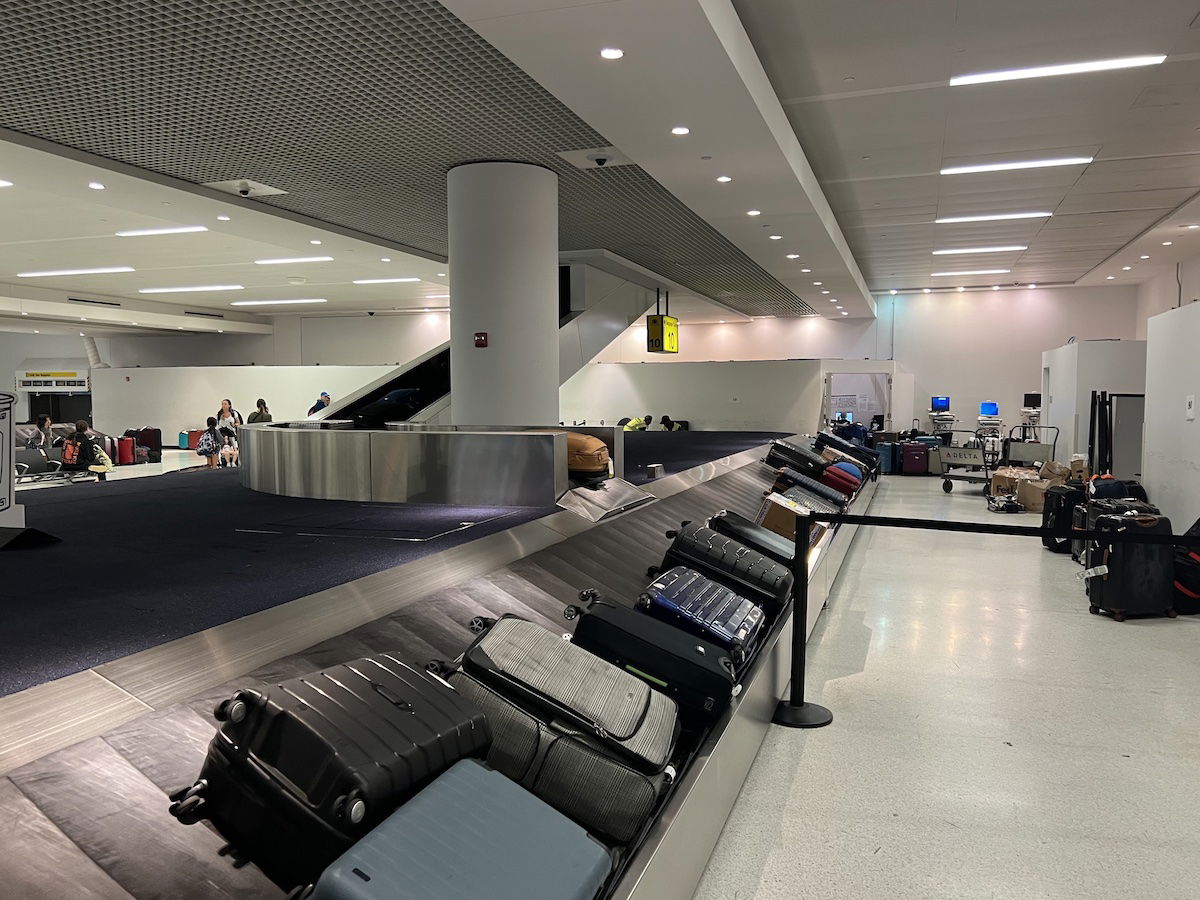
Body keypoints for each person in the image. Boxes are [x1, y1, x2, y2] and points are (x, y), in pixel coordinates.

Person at [216, 399, 243, 467]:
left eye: (225, 404)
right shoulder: (219, 414)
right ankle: (224, 462)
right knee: (223, 448)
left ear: (229, 405)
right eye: (222, 404)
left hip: (231, 432)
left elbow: (238, 423)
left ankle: (234, 461)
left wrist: (234, 424)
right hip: (222, 433)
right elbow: (217, 425)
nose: (223, 405)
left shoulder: (234, 413)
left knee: (234, 448)